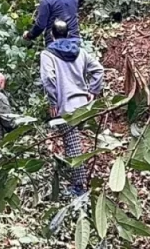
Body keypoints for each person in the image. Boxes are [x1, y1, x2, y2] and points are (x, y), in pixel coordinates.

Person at [39, 20, 104, 196]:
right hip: (83, 105)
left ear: (52, 35)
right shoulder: (81, 52)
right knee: (74, 141)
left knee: (72, 144)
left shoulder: (48, 54)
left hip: (66, 107)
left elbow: (49, 79)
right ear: (68, 33)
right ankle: (78, 180)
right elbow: (98, 70)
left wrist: (53, 102)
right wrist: (93, 91)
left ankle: (79, 187)